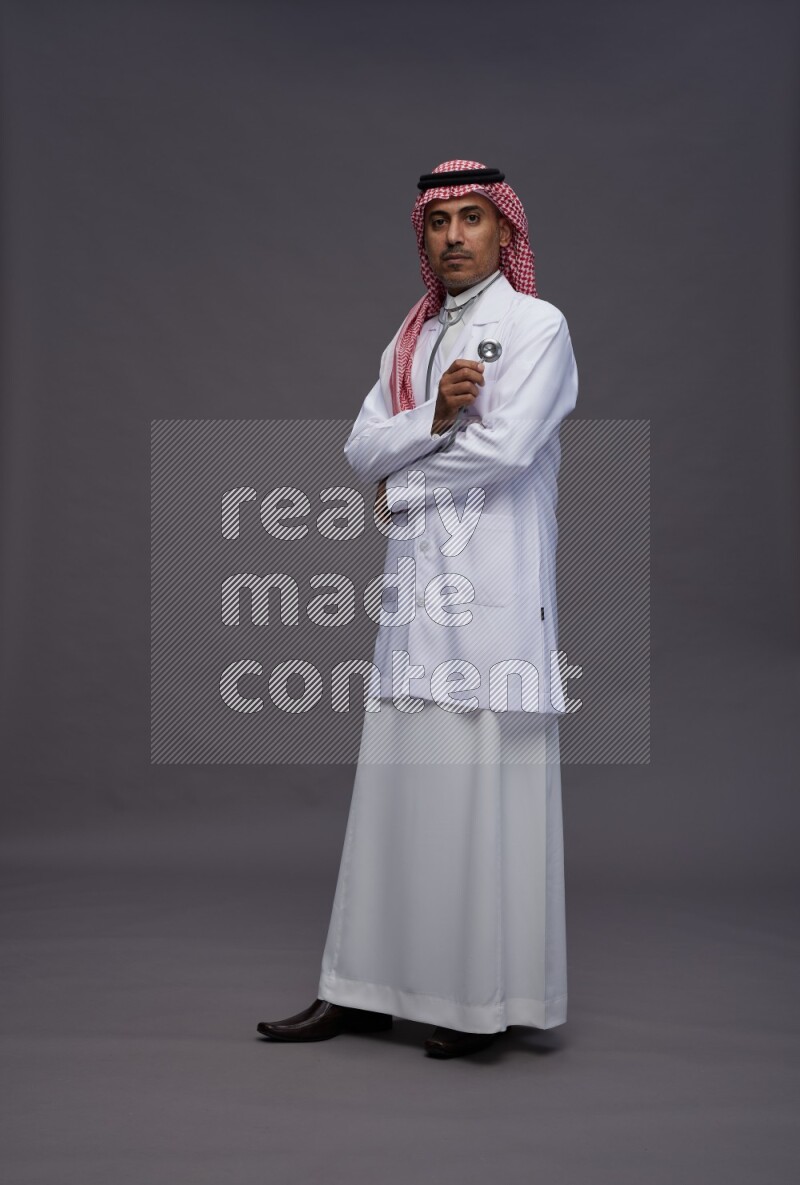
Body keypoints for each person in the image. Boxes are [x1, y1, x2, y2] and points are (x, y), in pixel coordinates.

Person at [257, 159, 579, 1058]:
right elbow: (361, 446)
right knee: (396, 793)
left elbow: (508, 448)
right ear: (423, 236)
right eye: (439, 223)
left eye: (472, 220)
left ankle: (476, 1001)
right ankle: (360, 988)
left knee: (478, 790)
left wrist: (402, 490)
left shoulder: (535, 325)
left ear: (505, 233)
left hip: (495, 598)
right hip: (414, 602)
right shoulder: (411, 337)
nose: (453, 238)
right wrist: (431, 416)